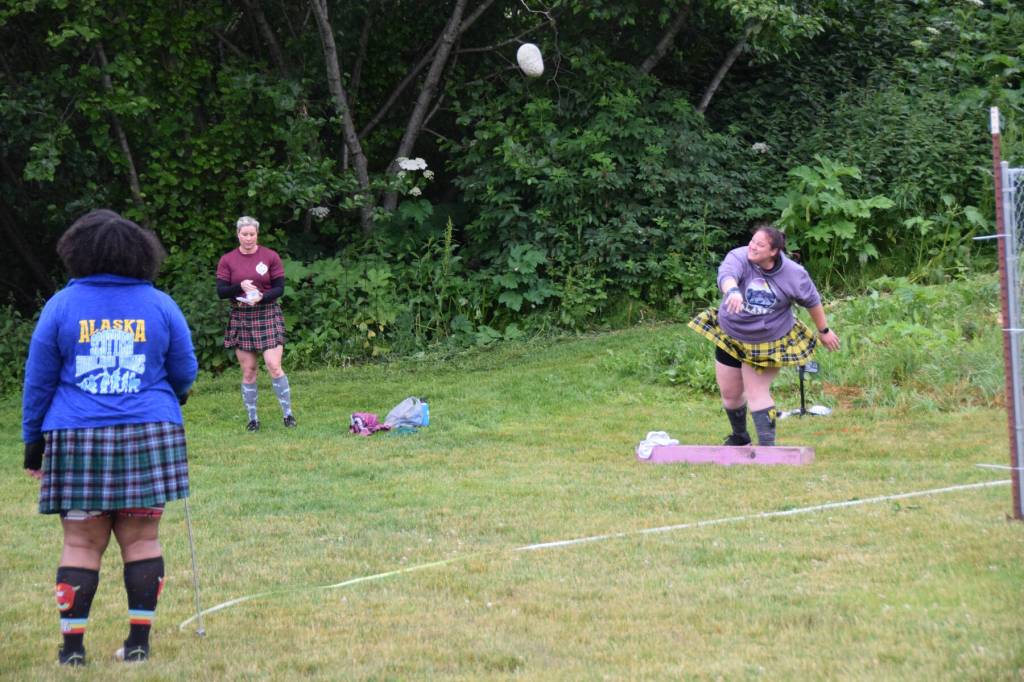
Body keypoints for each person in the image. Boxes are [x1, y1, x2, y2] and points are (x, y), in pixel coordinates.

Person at [21, 209, 198, 665]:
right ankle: (138, 645)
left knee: (80, 543)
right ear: (140, 254)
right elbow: (185, 371)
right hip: (148, 434)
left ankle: (73, 650)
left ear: (77, 253)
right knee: (142, 541)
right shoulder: (160, 304)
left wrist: (33, 443)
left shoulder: (61, 305)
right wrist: (168, 397)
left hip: (76, 439)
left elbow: (38, 382)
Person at [688, 223, 840, 446]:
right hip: (731, 335)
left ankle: (768, 449)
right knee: (730, 395)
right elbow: (727, 275)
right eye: (752, 241)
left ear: (774, 251)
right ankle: (740, 438)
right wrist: (732, 291)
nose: (752, 247)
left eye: (760, 245)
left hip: (767, 341)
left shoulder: (794, 274)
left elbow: (812, 301)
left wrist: (824, 331)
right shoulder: (739, 256)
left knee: (756, 392)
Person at [216, 215, 296, 431]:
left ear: (257, 234)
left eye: (252, 234)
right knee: (249, 370)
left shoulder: (270, 256)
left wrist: (262, 296)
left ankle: (288, 415)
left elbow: (279, 288)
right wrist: (239, 286)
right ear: (238, 235)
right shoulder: (228, 260)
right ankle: (253, 419)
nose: (248, 238)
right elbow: (221, 292)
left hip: (267, 312)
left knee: (274, 366)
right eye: (244, 234)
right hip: (242, 316)